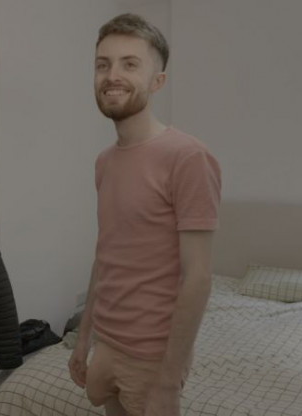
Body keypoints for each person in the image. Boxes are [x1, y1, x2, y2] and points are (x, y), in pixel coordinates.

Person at [68, 13, 222, 416]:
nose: (112, 76)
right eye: (103, 64)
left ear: (158, 81)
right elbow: (106, 253)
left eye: (130, 64)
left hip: (152, 355)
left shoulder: (188, 158)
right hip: (107, 341)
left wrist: (169, 380)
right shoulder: (105, 162)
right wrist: (83, 338)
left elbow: (198, 278)